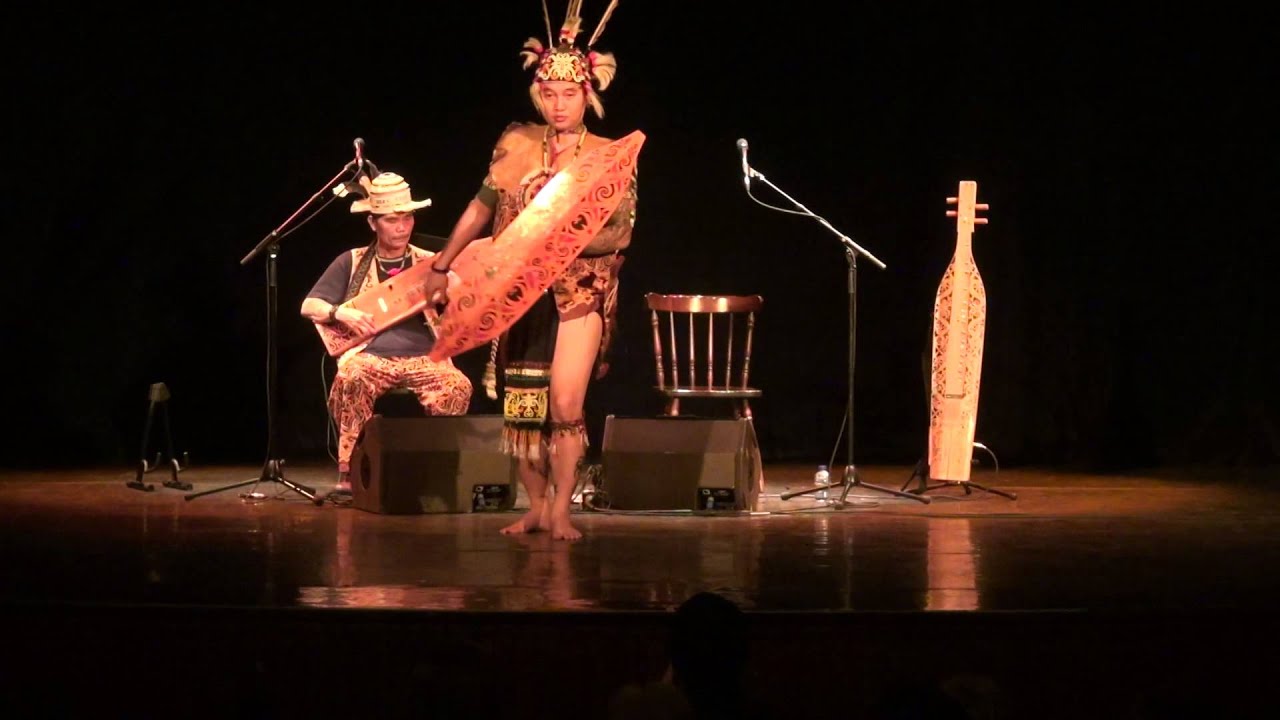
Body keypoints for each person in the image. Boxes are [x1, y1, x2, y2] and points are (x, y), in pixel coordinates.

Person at [423, 1, 637, 540]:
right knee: (522, 407)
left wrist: (561, 239)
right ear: (537, 94)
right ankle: (537, 506)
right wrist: (443, 264)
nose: (559, 104)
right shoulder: (516, 143)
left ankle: (563, 509)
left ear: (587, 95)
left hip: (579, 291)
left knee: (565, 402)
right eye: (549, 93)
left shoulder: (607, 156)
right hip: (517, 291)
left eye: (569, 94)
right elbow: (481, 208)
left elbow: (621, 231)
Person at [301, 171, 473, 504]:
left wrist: (451, 296)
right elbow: (309, 306)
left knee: (457, 386)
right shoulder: (351, 262)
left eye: (407, 217)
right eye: (393, 219)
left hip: (426, 357)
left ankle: (435, 469)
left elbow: (464, 306)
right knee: (351, 377)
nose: (402, 226)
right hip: (371, 357)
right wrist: (341, 312)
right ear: (372, 223)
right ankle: (352, 471)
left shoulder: (432, 263)